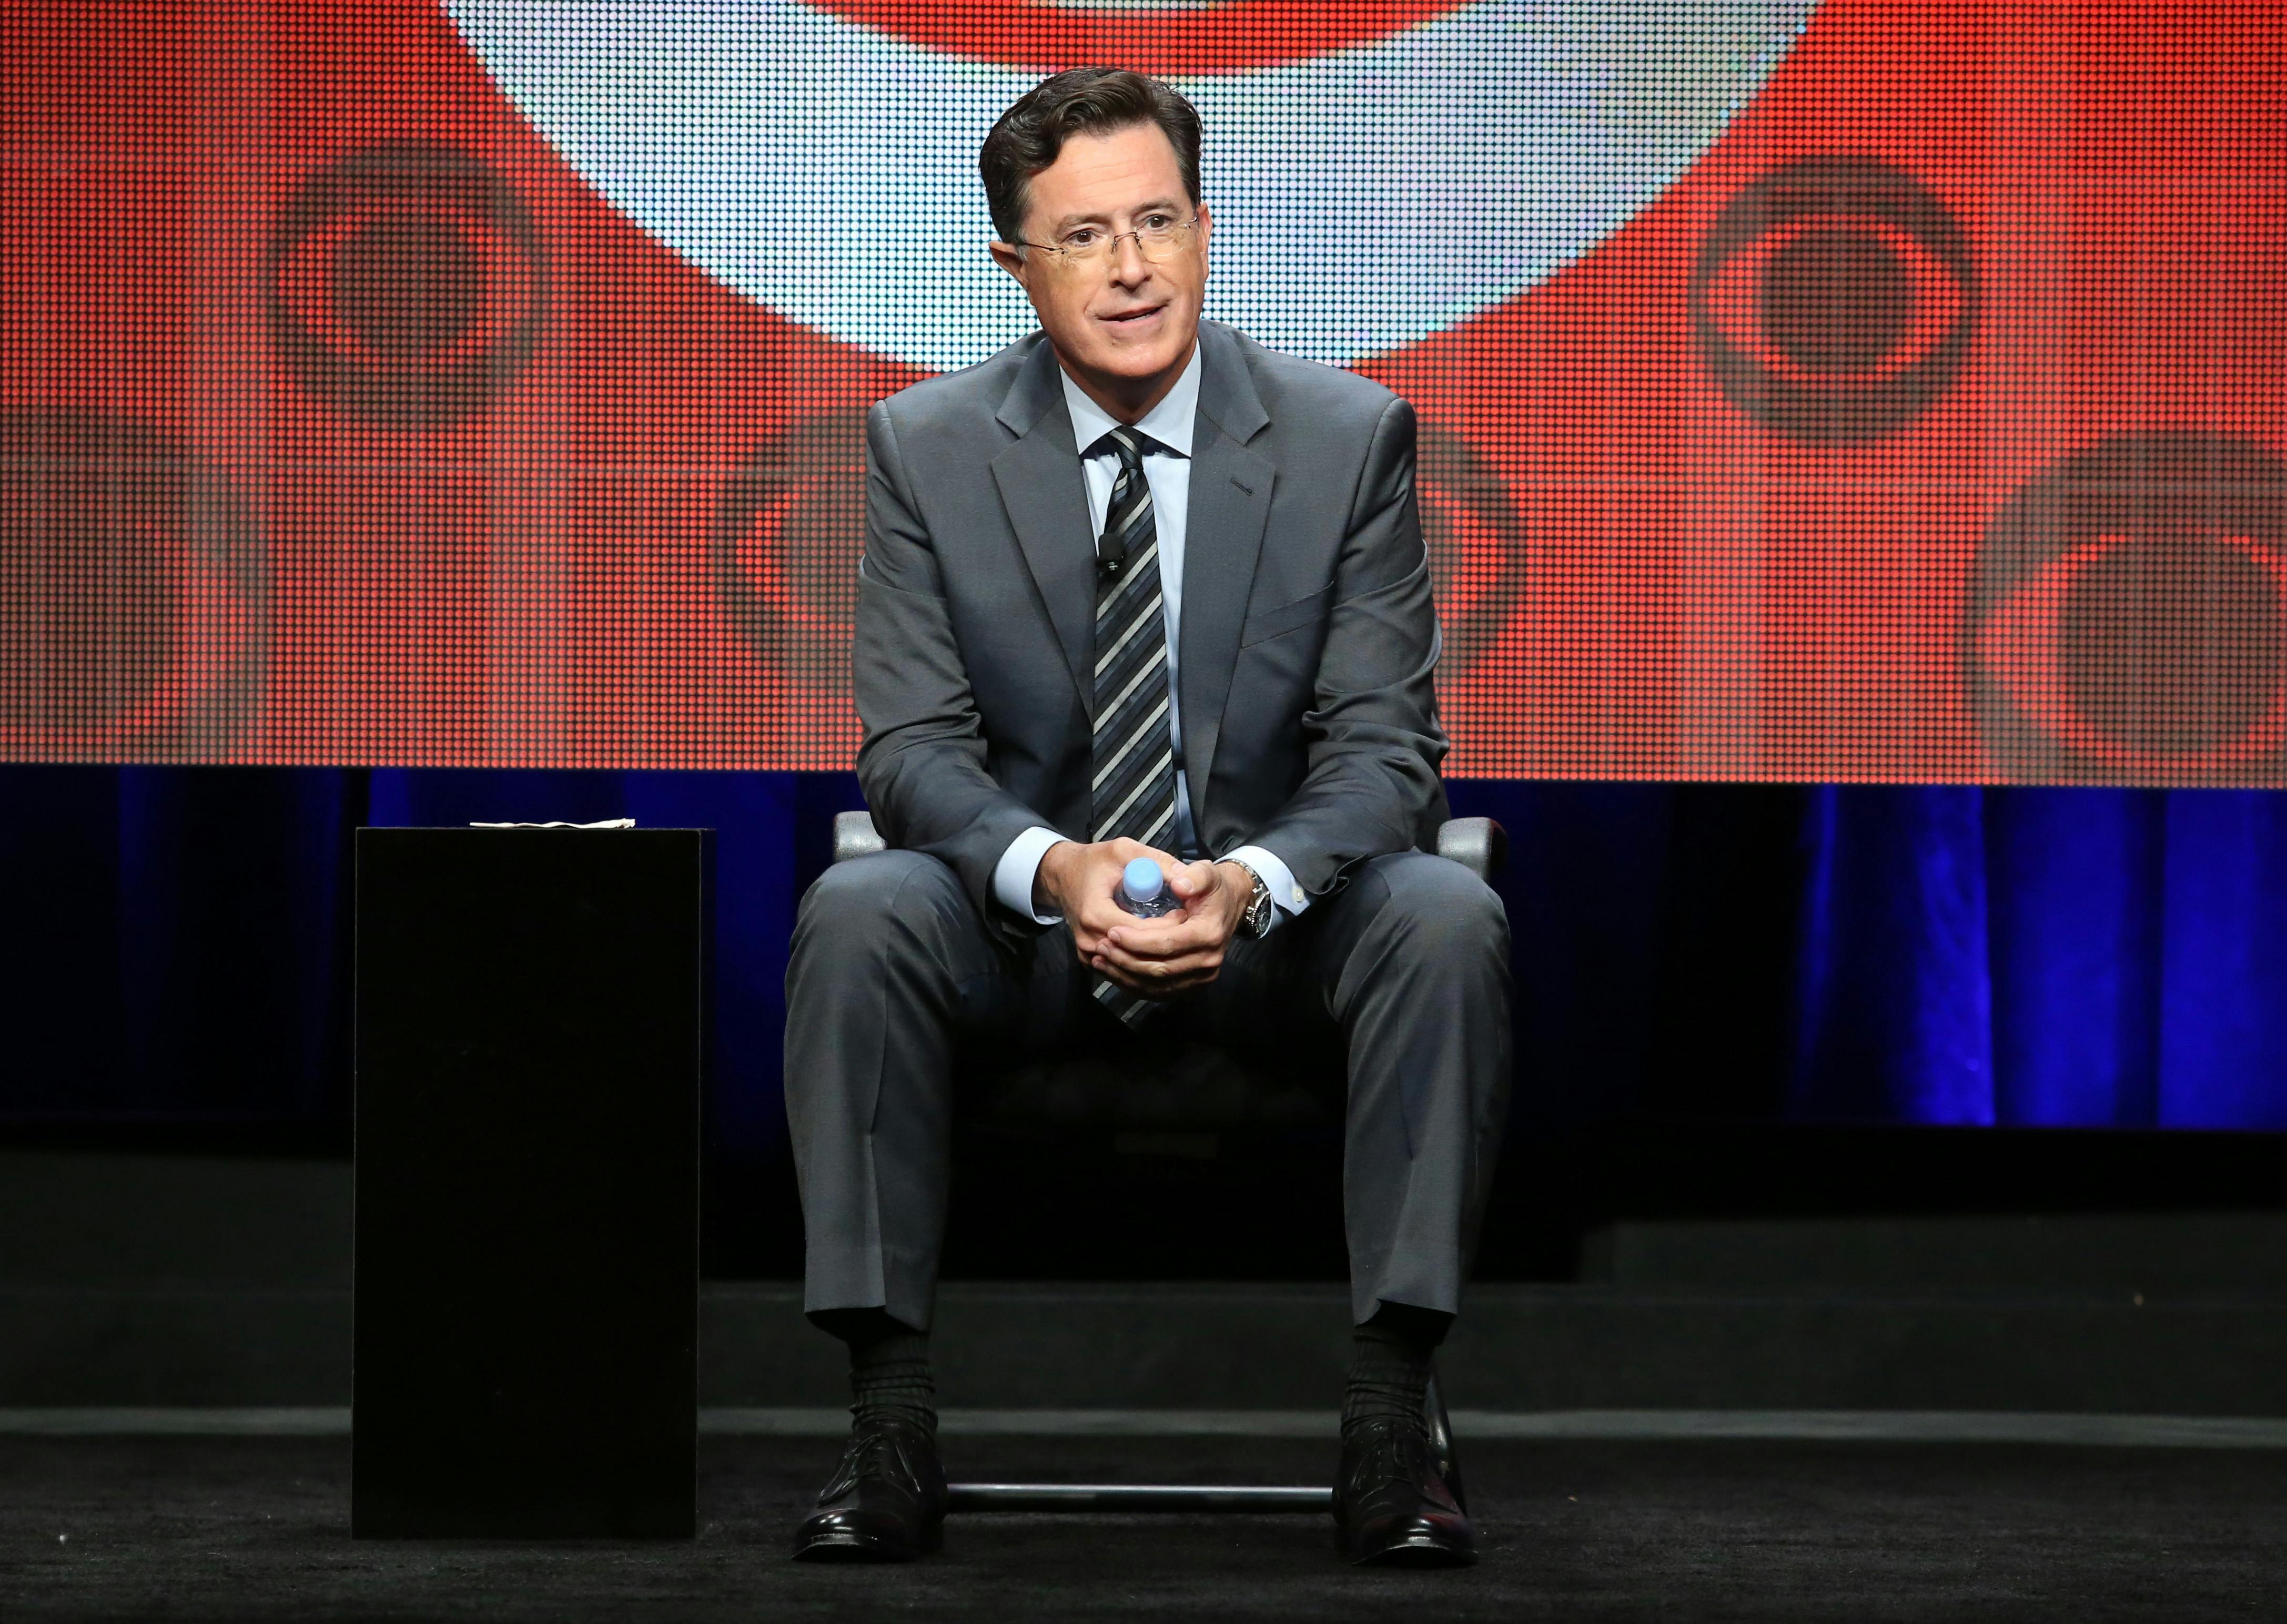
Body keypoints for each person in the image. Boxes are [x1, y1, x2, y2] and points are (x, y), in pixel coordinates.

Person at [783, 66, 1511, 1568]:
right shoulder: (926, 446)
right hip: (1030, 943)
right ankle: (886, 1420)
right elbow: (911, 752)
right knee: (859, 907)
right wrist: (1058, 871)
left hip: (1273, 939)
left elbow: (1387, 754)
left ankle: (1391, 1419)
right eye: (1084, 235)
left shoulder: (1346, 436)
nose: (1130, 268)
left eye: (1157, 222)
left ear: (1203, 231)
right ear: (1015, 264)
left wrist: (1248, 880)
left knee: (1446, 911)